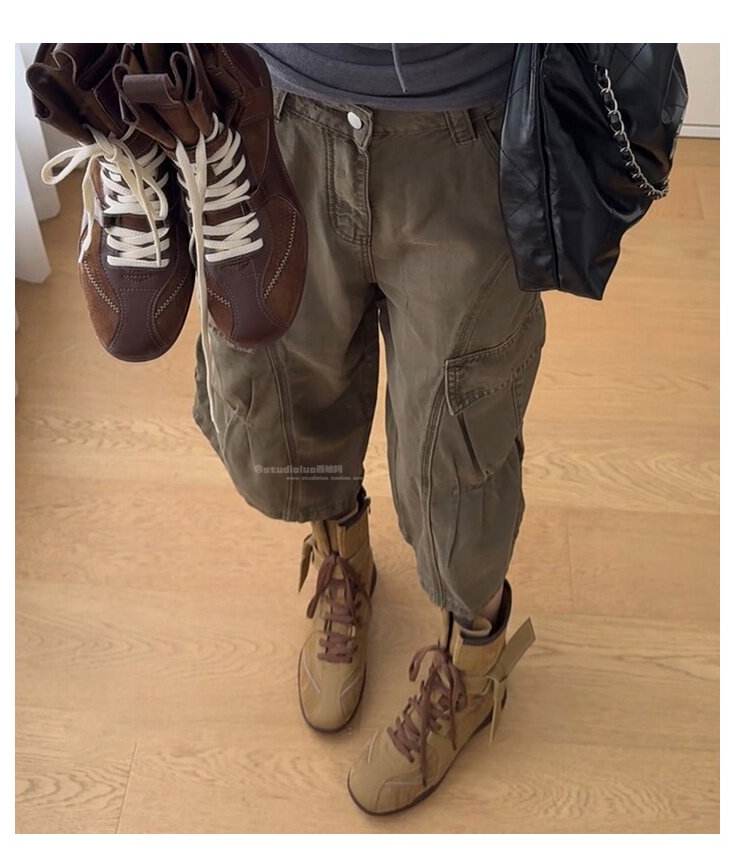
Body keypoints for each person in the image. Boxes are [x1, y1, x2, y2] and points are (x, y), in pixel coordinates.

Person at [192, 43, 542, 815]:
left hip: (467, 118)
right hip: (276, 103)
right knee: (291, 385)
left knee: (459, 433)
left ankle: (476, 660)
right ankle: (343, 555)